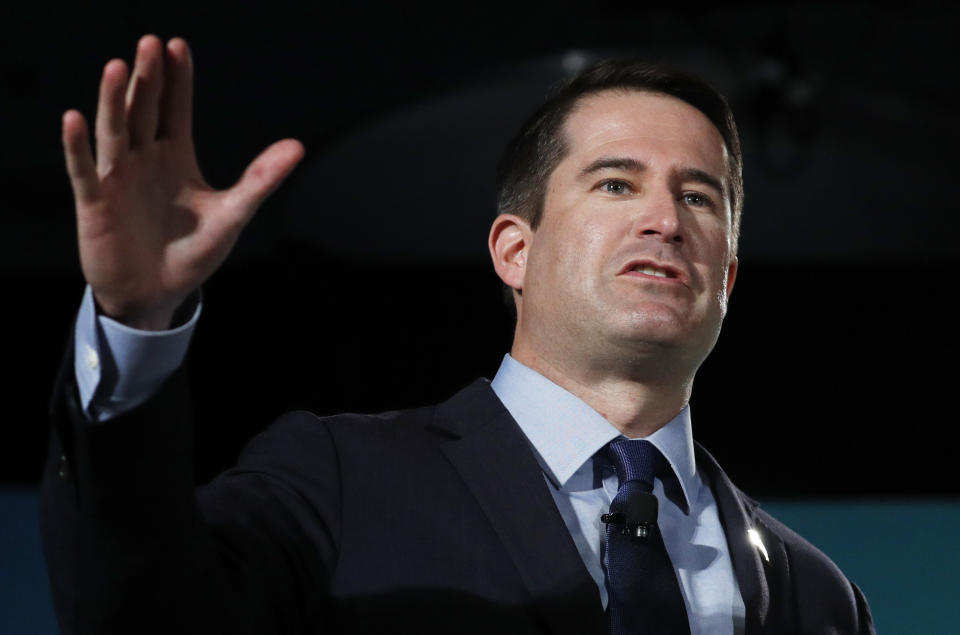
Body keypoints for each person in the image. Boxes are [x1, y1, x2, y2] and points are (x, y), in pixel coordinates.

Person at [44, 34, 874, 634]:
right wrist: (134, 323)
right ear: (516, 250)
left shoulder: (818, 597)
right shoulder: (340, 482)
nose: (663, 219)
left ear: (726, 277)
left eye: (698, 198)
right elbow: (138, 611)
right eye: (616, 183)